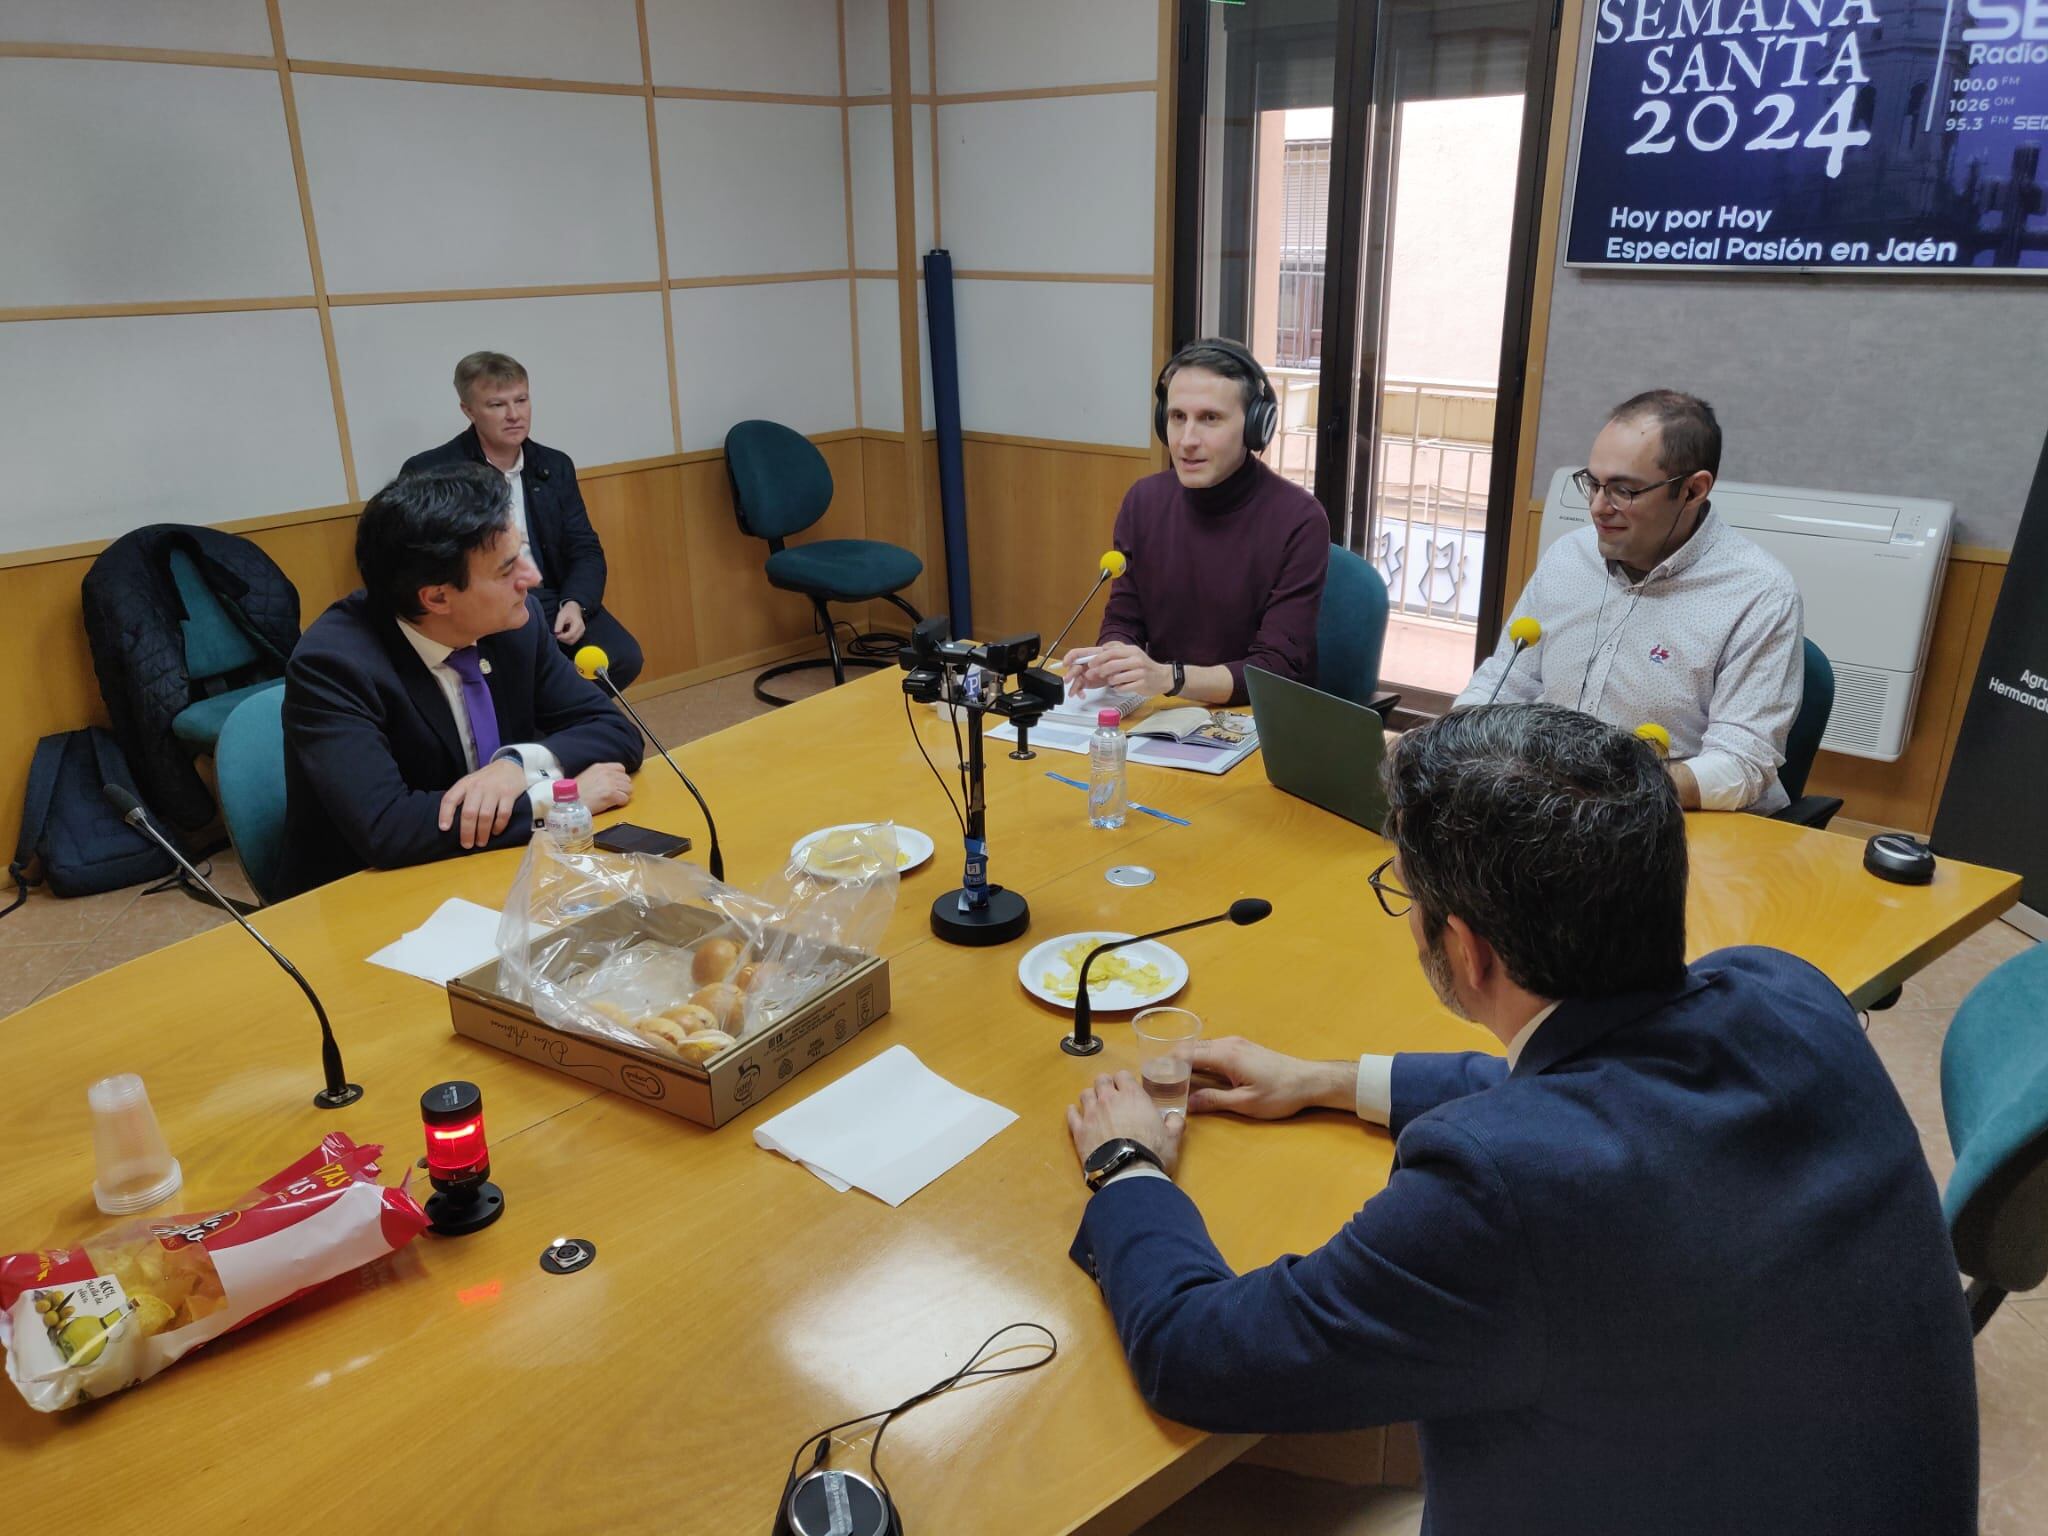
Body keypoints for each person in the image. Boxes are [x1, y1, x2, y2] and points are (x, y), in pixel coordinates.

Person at [1062, 704, 1977, 1536]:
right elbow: (1611, 1079)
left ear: (1464, 947)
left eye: (1405, 895)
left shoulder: (1499, 1186)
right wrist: (1334, 1081)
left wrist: (1127, 1165)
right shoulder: (1785, 993)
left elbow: (1199, 1356)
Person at [279, 463, 644, 897]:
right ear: (436, 597)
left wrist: (516, 766)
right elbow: (388, 828)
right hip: (375, 895)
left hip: (496, 866)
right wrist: (555, 799)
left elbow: (615, 731)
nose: (531, 579)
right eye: (507, 569)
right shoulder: (334, 666)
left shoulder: (514, 626)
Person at [1457, 390, 1802, 812]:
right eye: (1595, 484)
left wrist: (1607, 788)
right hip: (1554, 809)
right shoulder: (1570, 556)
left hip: (1676, 821)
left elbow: (1741, 765)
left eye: (1625, 491)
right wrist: (1447, 744)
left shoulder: (1757, 593)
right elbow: (1509, 681)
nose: (1600, 508)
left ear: (1693, 491)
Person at [1060, 339, 1327, 707]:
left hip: (1259, 722)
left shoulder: (1299, 519)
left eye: (1210, 419)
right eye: (1177, 417)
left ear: (1255, 427)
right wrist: (1114, 659)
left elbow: (1274, 671)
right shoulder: (1143, 502)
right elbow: (1124, 619)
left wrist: (1169, 677)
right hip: (1168, 713)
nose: (1186, 441)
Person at [403, 351, 645, 688]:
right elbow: (423, 568)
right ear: (468, 411)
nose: (514, 415)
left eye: (521, 400)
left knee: (621, 656)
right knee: (520, 678)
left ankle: (556, 730)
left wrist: (576, 604)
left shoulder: (554, 465)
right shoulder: (432, 472)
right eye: (497, 405)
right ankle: (536, 734)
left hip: (547, 597)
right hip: (483, 605)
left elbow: (584, 547)